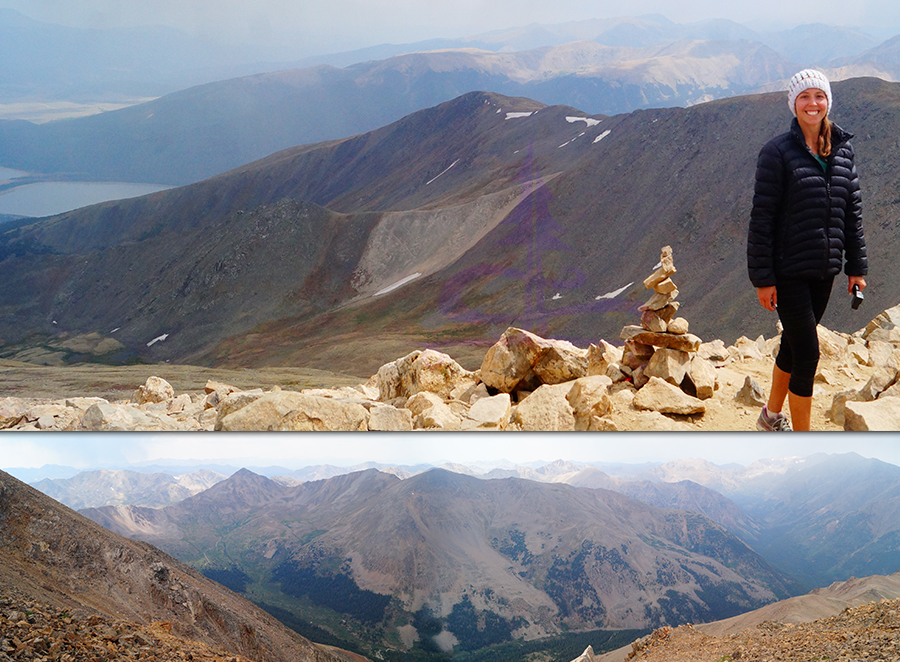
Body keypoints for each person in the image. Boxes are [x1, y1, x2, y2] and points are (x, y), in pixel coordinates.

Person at [747, 69, 868, 431]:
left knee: (792, 343)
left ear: (827, 102)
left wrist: (856, 267)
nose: (812, 104)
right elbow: (762, 219)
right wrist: (763, 279)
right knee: (808, 352)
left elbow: (853, 213)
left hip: (824, 270)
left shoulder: (843, 151)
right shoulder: (776, 153)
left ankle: (769, 417)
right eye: (804, 97)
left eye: (819, 96)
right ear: (793, 104)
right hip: (788, 271)